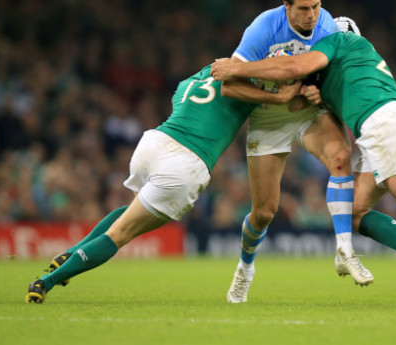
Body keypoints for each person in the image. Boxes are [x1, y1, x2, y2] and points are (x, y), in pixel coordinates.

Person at [211, 27, 396, 307]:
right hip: (388, 123)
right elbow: (302, 102)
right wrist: (308, 93)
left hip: (384, 124)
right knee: (353, 211)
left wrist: (237, 69)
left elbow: (294, 68)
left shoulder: (339, 41)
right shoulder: (347, 67)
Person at [25, 64, 303, 303]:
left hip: (154, 143)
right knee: (121, 234)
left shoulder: (190, 81)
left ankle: (68, 254)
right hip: (185, 162)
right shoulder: (248, 83)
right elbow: (274, 101)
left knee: (129, 211)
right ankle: (47, 281)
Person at [221, 0, 372, 304]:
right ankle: (245, 269)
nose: (311, 15)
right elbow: (231, 84)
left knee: (340, 157)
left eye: (316, 7)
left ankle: (345, 250)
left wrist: (319, 92)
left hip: (306, 111)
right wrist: (277, 97)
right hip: (269, 117)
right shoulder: (263, 27)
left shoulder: (327, 24)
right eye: (303, 9)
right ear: (286, 6)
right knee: (264, 212)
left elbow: (331, 74)